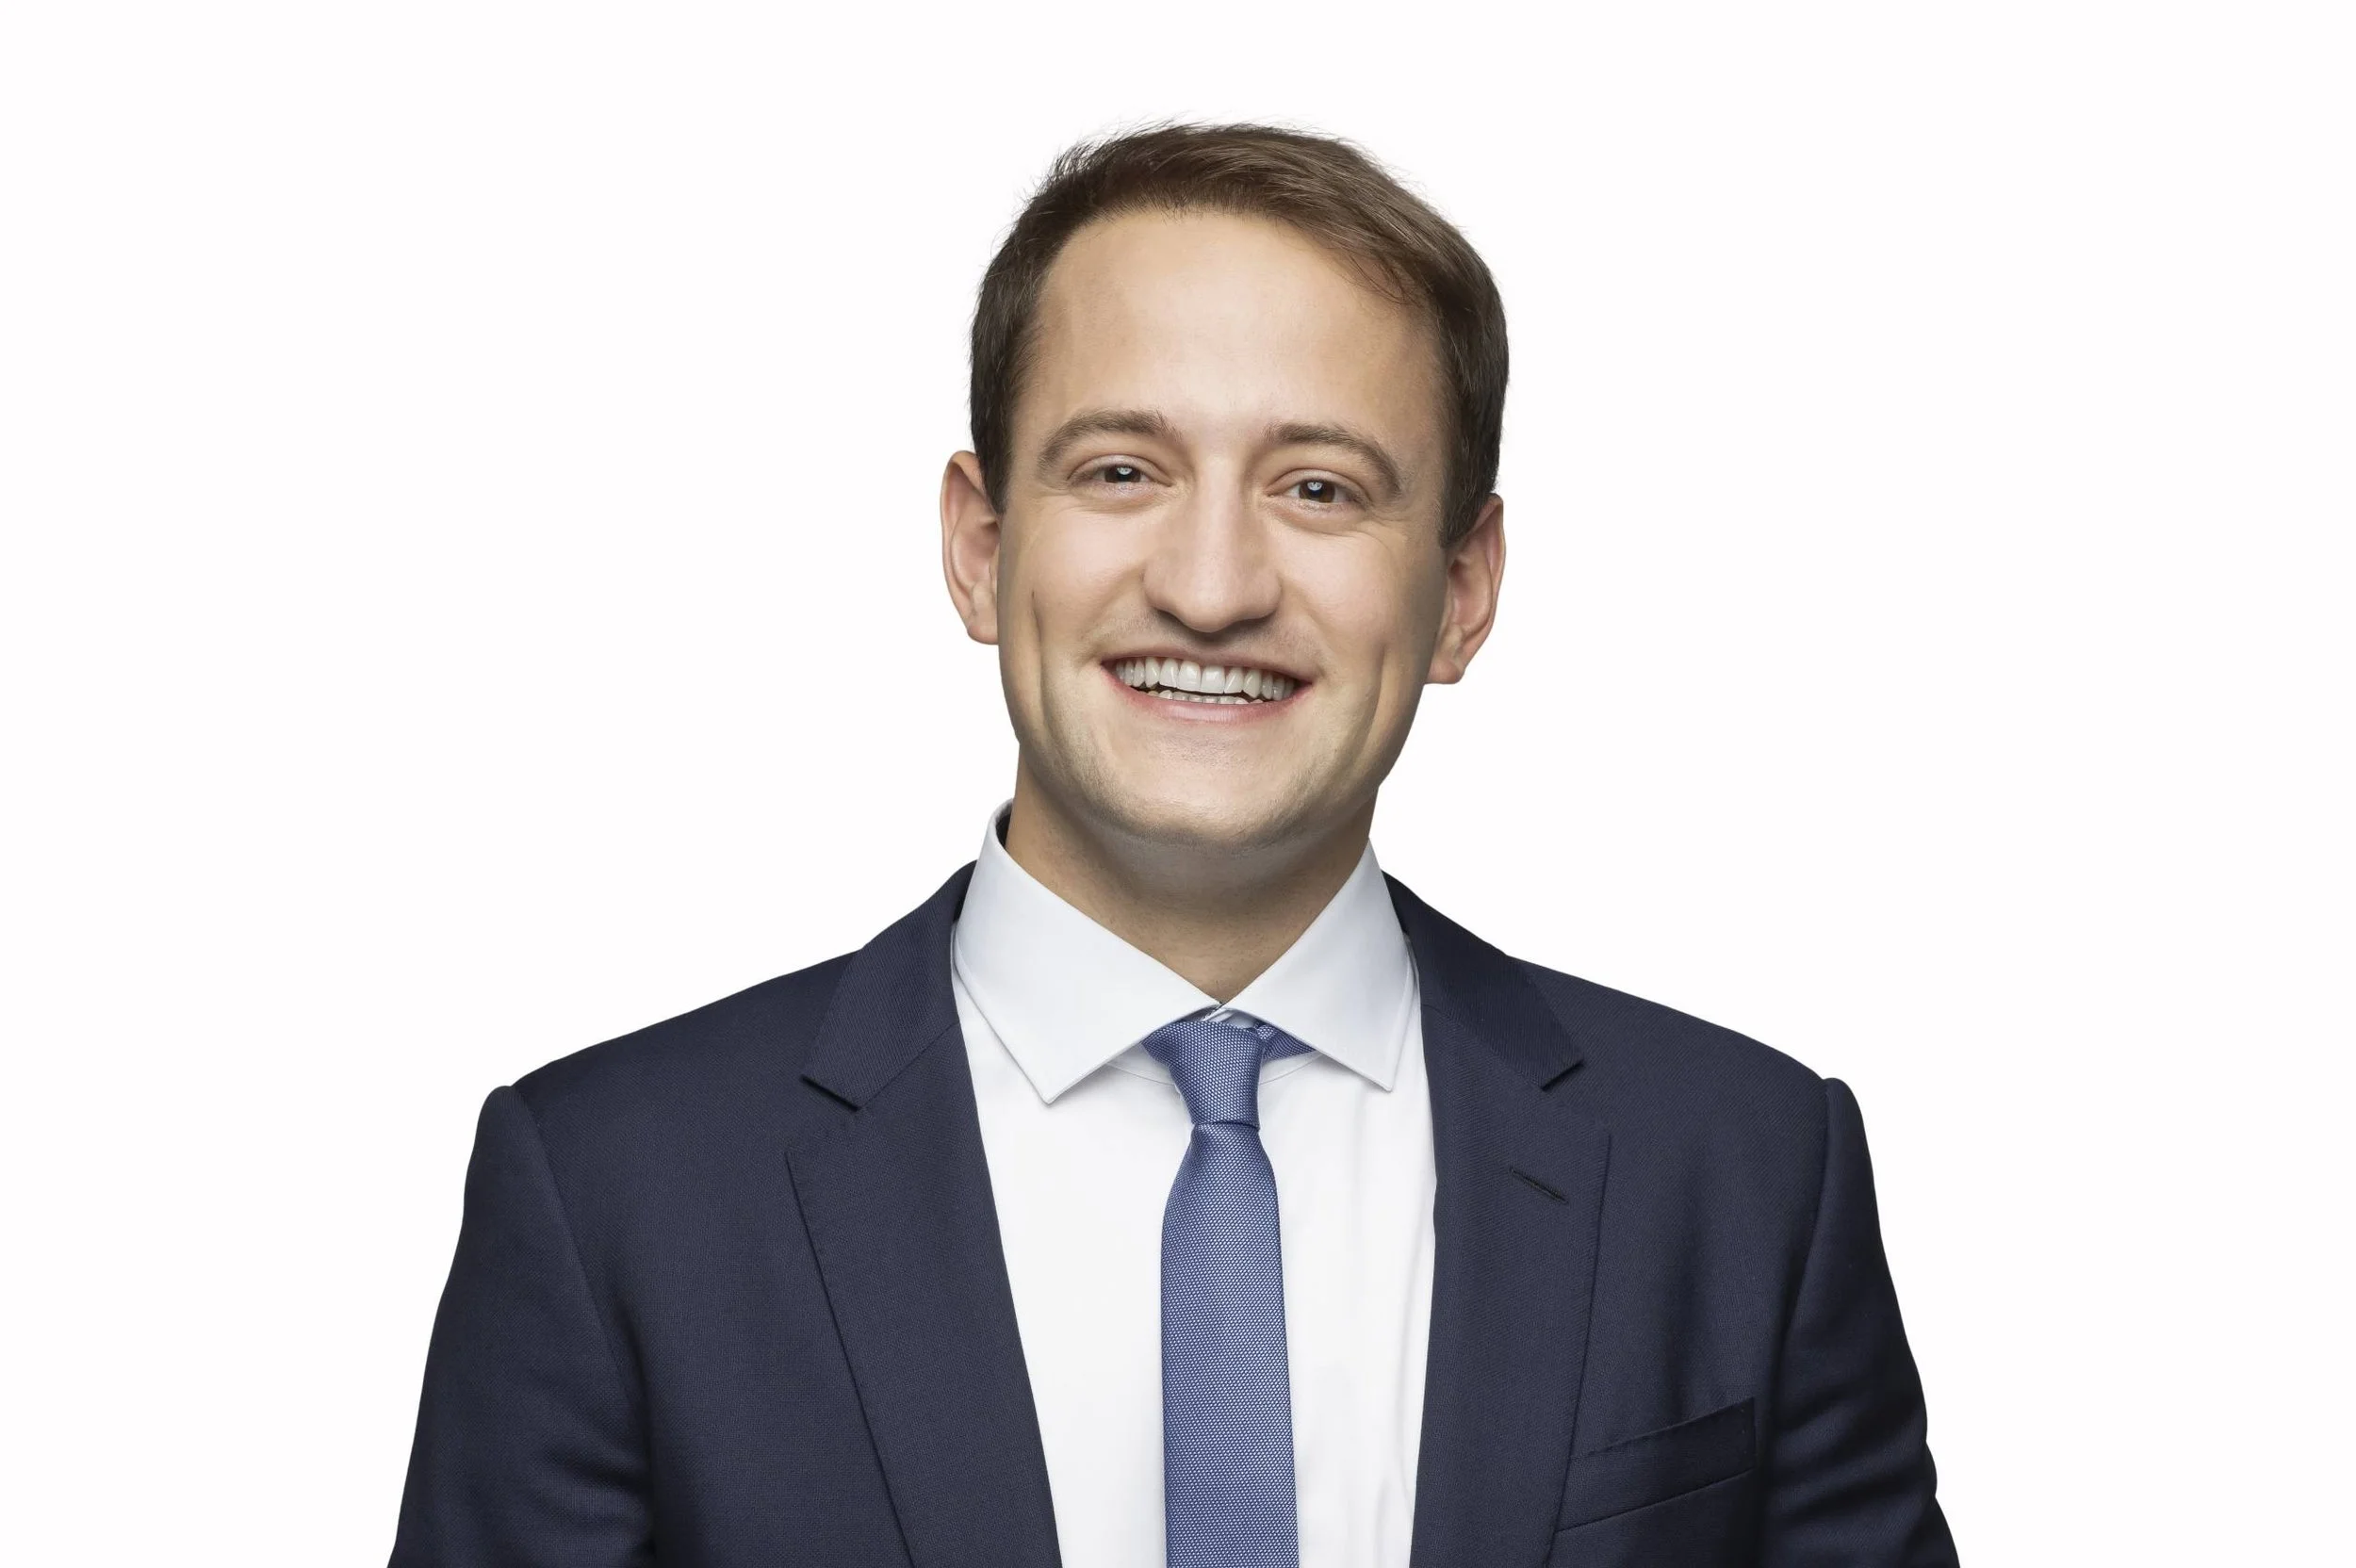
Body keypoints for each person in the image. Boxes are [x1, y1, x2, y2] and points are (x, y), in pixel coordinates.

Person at [388, 122, 1960, 1568]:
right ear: (981, 548)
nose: (1212, 587)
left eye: (1320, 488)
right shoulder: (614, 1196)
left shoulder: (1746, 1176)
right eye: (1122, 472)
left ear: (1464, 590)